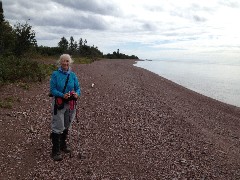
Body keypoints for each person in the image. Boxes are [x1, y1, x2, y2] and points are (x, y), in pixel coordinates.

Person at [49, 54, 81, 161]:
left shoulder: (72, 75)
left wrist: (76, 94)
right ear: (60, 62)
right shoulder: (55, 74)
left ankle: (62, 145)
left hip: (70, 103)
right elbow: (52, 90)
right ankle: (55, 151)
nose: (65, 63)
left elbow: (78, 88)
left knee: (67, 125)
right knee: (58, 125)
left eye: (67, 61)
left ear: (70, 62)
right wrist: (62, 95)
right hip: (59, 103)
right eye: (63, 61)